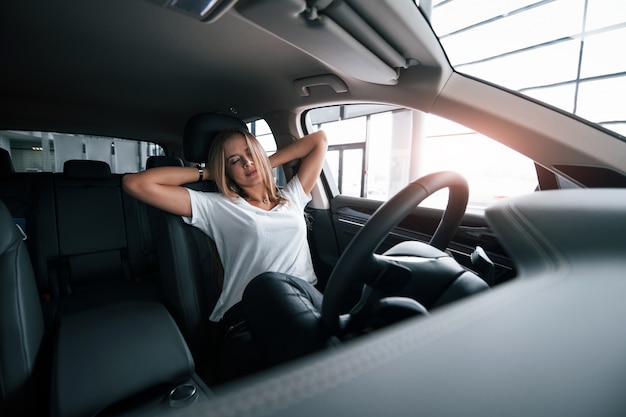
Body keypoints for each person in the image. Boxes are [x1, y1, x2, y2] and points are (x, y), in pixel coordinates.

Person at [122, 127, 330, 374]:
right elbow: (135, 183)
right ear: (226, 170)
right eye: (234, 161)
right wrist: (210, 172)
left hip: (305, 300)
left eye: (250, 153)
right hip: (251, 314)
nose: (247, 162)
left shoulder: (292, 197)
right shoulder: (218, 206)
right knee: (272, 290)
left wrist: (264, 162)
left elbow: (319, 140)